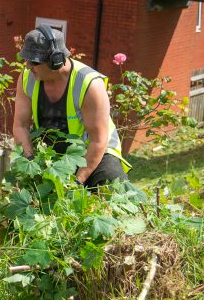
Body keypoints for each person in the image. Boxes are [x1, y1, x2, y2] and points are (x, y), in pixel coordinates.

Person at [12, 26, 130, 188]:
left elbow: (98, 140)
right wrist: (31, 162)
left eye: (34, 61)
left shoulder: (89, 84)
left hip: (94, 151)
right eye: (26, 60)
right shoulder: (28, 78)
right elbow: (21, 125)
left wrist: (77, 181)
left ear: (55, 61)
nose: (27, 66)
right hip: (52, 151)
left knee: (111, 184)